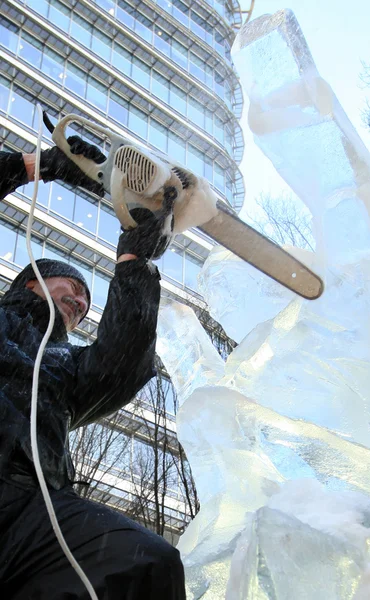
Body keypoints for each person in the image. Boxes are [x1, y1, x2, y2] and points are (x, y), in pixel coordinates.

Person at [0, 136, 186, 599]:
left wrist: (134, 263)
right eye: (70, 286)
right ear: (32, 281)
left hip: (31, 513)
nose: (80, 302)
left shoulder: (65, 365)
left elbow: (121, 366)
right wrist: (37, 165)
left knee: (145, 562)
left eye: (85, 302)